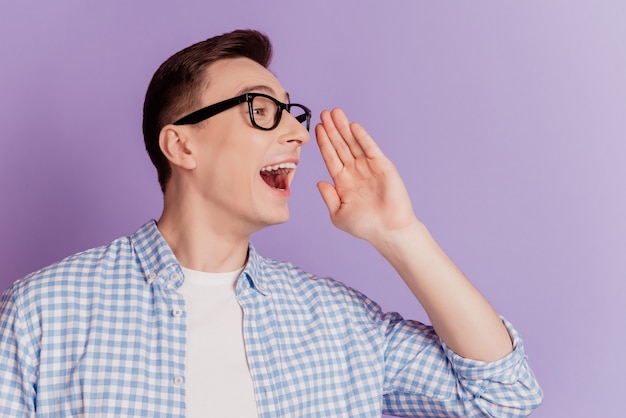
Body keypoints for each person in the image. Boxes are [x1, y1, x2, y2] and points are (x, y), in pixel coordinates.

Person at [0, 29, 542, 417]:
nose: (298, 134)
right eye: (262, 108)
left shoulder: (338, 323)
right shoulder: (44, 312)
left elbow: (501, 397)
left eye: (292, 112)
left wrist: (399, 234)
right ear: (181, 144)